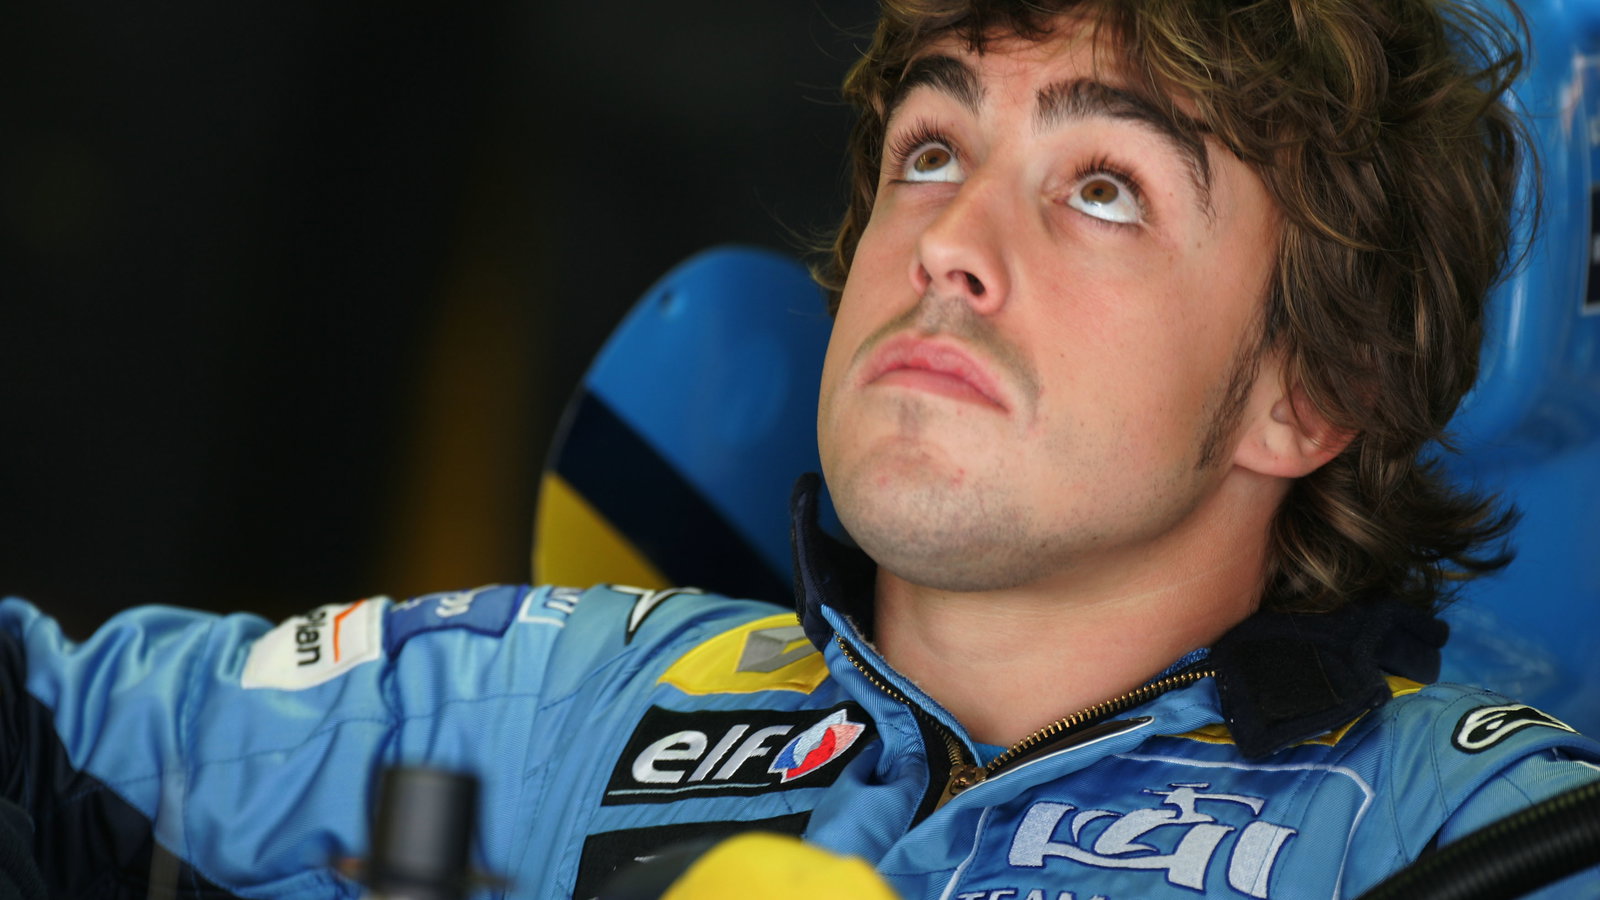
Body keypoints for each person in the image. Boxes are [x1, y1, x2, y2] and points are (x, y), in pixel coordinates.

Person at [3, 0, 1597, 898]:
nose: (950, 243)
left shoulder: (1474, 836)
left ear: (1308, 393)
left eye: (1103, 188)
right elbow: (48, 743)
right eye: (932, 150)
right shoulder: (559, 696)